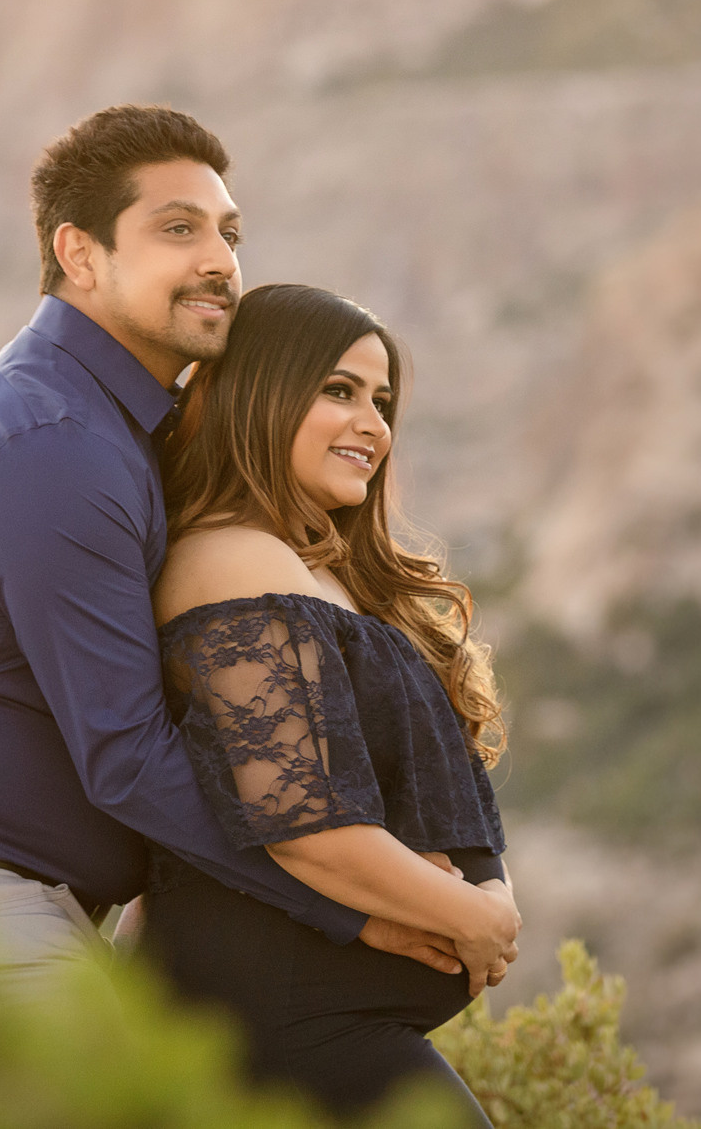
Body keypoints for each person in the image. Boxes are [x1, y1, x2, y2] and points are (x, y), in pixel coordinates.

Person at [0, 105, 512, 1108]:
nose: (219, 258)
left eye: (228, 231)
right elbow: (126, 755)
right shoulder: (51, 444)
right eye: (179, 228)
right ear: (79, 255)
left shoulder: (112, 433)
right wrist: (355, 912)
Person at [141, 281, 515, 1126]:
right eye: (339, 391)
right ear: (262, 393)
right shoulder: (229, 562)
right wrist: (475, 916)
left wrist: (497, 896)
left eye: (382, 402)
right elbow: (304, 818)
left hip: (327, 1022)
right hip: (273, 1022)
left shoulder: (319, 571)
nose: (373, 424)